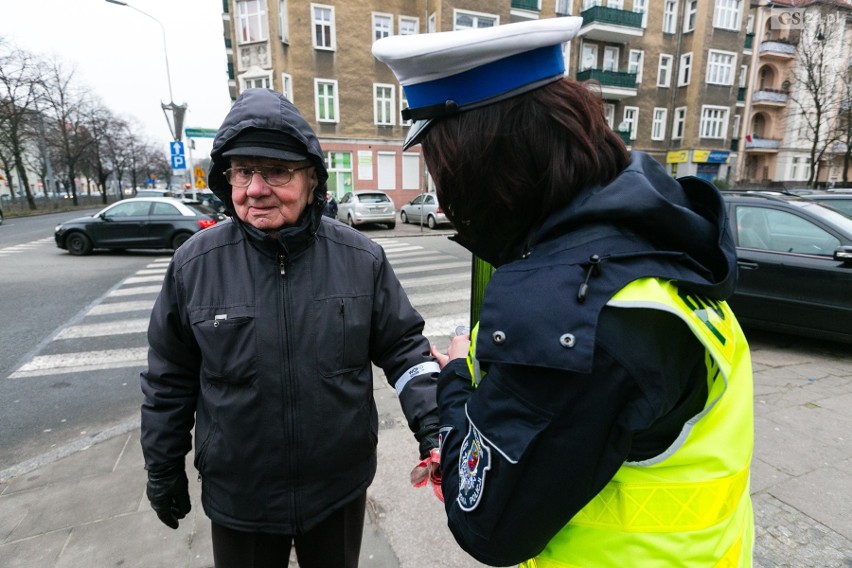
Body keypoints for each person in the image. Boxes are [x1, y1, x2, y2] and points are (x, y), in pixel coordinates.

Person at [374, 18, 754, 567]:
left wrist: (456, 380)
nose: (445, 194)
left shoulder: (574, 314)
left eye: (442, 168)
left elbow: (482, 520)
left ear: (486, 164)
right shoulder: (651, 246)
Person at [139, 87, 440, 568]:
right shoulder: (193, 266)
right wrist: (162, 466)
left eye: (276, 171)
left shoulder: (362, 259)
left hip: (337, 492)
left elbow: (406, 349)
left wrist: (434, 425)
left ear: (312, 180)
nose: (255, 188)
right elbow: (168, 379)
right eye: (242, 172)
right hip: (241, 499)